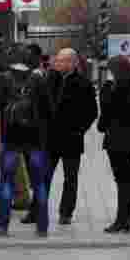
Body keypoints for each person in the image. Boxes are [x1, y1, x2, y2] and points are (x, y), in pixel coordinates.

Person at [0, 46, 52, 237]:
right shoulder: (39, 79)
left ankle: (1, 226)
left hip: (11, 138)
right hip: (35, 139)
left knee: (7, 182)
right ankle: (42, 227)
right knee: (39, 183)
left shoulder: (4, 78)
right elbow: (49, 109)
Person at [27, 48, 97, 226]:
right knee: (43, 176)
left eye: (63, 60)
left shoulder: (83, 83)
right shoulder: (49, 80)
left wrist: (79, 129)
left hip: (72, 139)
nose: (59, 64)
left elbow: (91, 112)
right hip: (50, 137)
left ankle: (66, 213)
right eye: (58, 60)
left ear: (74, 63)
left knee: (70, 178)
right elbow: (39, 105)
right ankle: (36, 211)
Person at [97, 56, 130, 233]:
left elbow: (106, 113)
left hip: (116, 140)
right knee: (128, 181)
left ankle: (121, 220)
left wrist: (102, 125)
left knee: (122, 181)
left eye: (110, 70)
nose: (108, 74)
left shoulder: (113, 89)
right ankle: (127, 219)